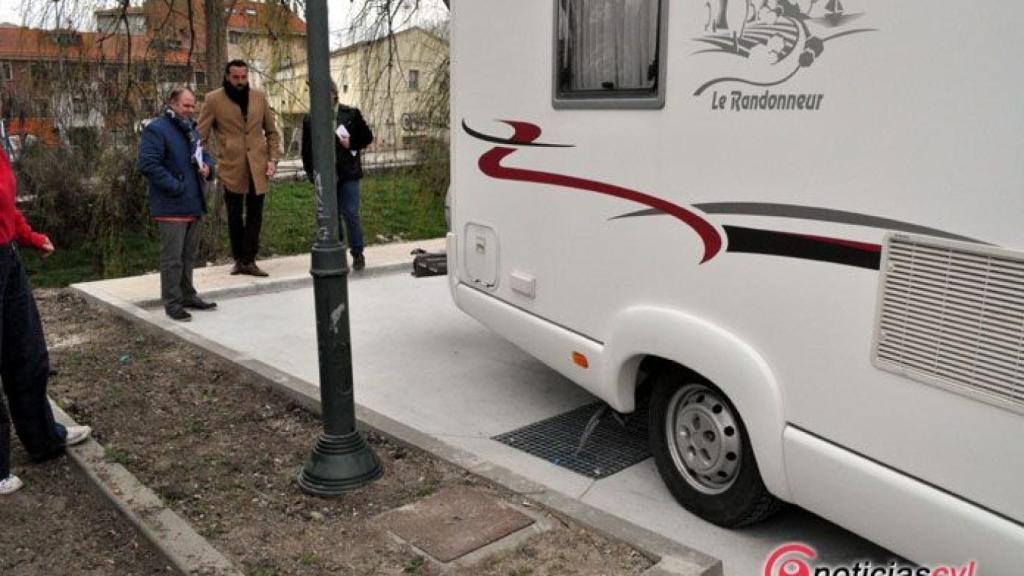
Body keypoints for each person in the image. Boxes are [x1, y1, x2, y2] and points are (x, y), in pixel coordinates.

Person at [0, 142, 91, 496]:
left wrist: (30, 237)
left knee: (27, 353)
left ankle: (43, 438)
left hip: (6, 256)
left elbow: (5, 208)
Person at [138, 87, 218, 322]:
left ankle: (188, 295)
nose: (190, 110)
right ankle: (172, 303)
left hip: (193, 202)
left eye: (193, 106)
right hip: (172, 205)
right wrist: (176, 186)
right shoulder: (156, 129)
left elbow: (204, 155)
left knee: (188, 255)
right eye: (186, 105)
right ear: (172, 103)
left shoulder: (191, 129)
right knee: (172, 258)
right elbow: (148, 164)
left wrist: (209, 168)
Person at [198, 59, 281, 277]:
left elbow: (272, 132)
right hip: (231, 166)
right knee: (234, 215)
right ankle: (239, 259)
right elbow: (200, 136)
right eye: (236, 77)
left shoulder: (259, 97)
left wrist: (273, 159)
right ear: (227, 76)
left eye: (244, 77)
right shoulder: (213, 99)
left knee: (256, 214)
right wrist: (209, 161)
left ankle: (250, 260)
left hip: (258, 165)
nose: (240, 82)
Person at [300, 82, 374, 270]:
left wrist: (353, 142)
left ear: (334, 95)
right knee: (332, 216)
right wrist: (311, 174)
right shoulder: (310, 119)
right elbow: (306, 150)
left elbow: (367, 137)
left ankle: (357, 252)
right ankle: (338, 251)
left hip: (348, 172)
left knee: (350, 213)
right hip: (325, 176)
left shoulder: (351, 114)